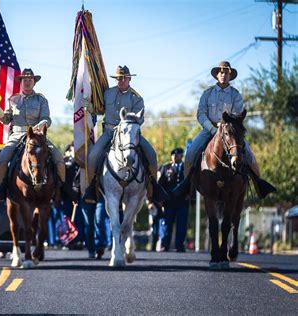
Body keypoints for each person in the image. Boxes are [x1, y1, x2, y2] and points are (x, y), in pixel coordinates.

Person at [173, 61, 275, 199]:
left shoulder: (235, 95)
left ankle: (258, 186)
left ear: (230, 75)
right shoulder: (207, 93)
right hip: (208, 130)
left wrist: (226, 128)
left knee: (250, 158)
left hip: (230, 133)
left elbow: (238, 116)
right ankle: (187, 190)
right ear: (216, 75)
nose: (223, 75)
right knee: (190, 154)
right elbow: (201, 114)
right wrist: (212, 129)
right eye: (221, 72)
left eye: (226, 73)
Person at [83, 65, 167, 204]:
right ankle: (92, 187)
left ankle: (153, 187)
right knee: (92, 156)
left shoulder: (137, 98)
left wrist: (127, 127)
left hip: (129, 135)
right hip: (109, 132)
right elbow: (100, 110)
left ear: (129, 79)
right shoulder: (107, 93)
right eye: (118, 78)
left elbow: (139, 119)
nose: (120, 81)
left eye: (123, 78)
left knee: (151, 154)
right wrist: (89, 106)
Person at [0, 68, 65, 201]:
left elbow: (46, 118)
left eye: (30, 79)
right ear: (21, 81)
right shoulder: (13, 100)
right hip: (17, 135)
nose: (27, 82)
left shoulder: (41, 100)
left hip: (37, 135)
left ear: (34, 82)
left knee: (58, 159)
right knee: (1, 160)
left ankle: (61, 189)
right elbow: (6, 119)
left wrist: (39, 126)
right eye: (25, 79)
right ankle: (2, 189)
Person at [158, 148, 189, 252]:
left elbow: (191, 183)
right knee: (166, 225)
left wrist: (190, 196)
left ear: (181, 156)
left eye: (177, 154)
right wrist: (160, 199)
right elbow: (160, 184)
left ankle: (180, 245)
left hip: (182, 202)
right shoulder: (166, 167)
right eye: (173, 154)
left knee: (181, 225)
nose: (175, 156)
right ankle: (164, 245)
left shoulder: (187, 168)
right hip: (168, 202)